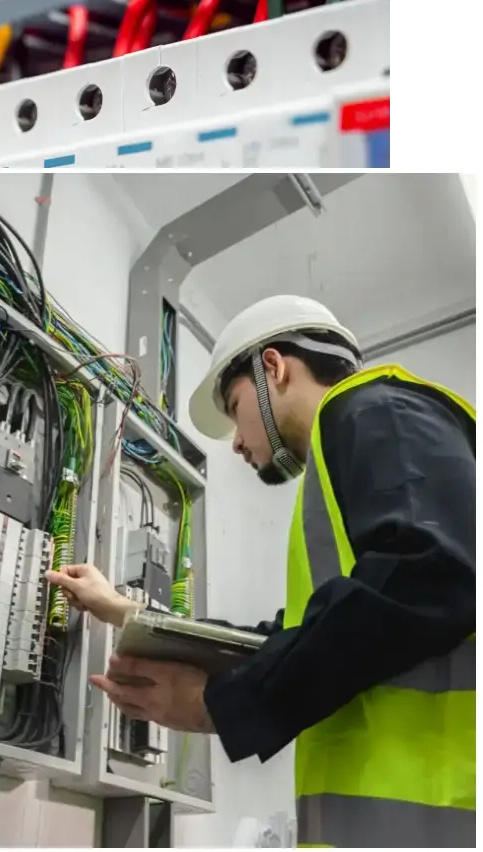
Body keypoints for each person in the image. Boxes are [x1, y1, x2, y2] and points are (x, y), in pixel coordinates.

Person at [47, 295, 475, 849]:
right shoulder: (347, 453)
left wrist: (223, 705)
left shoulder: (377, 409)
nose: (238, 441)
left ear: (273, 367)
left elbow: (430, 571)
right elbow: (306, 636)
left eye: (234, 405)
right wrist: (128, 614)